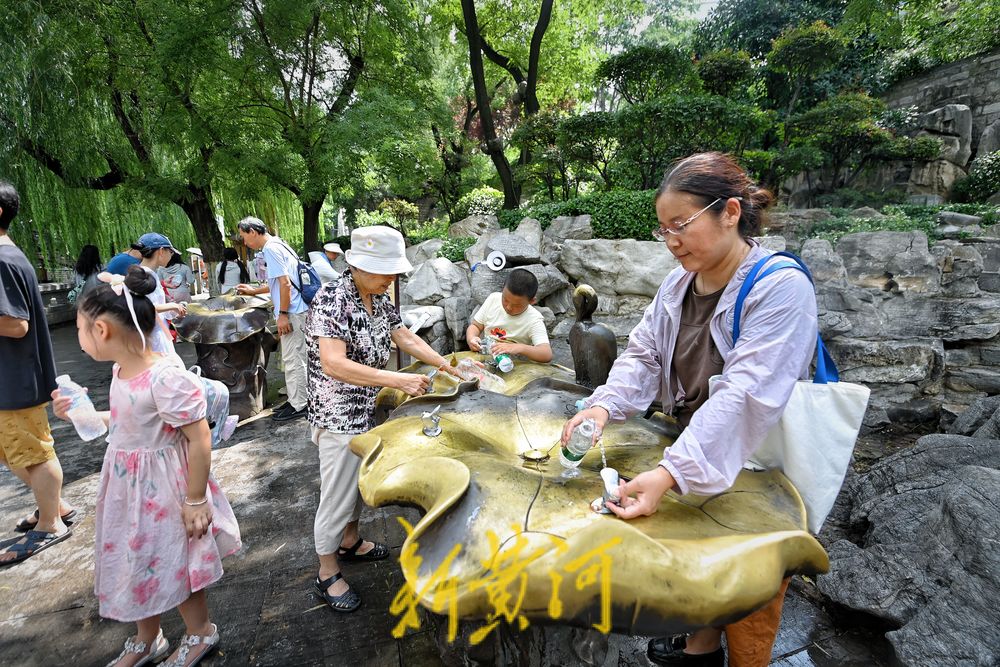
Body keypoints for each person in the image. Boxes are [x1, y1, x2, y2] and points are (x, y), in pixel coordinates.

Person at [560, 153, 818, 667]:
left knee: (753, 574)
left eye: (681, 225)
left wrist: (671, 473)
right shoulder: (678, 284)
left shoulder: (780, 287)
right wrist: (603, 407)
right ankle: (700, 645)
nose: (672, 240)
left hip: (761, 456)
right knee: (704, 550)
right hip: (696, 438)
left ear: (730, 212)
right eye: (663, 230)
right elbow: (644, 354)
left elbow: (744, 395)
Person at [53, 265, 241, 667]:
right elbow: (127, 421)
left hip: (165, 492)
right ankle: (147, 636)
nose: (80, 339)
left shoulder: (165, 377)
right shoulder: (122, 372)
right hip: (127, 489)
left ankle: (200, 631)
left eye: (81, 330)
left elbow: (199, 437)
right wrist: (82, 415)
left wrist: (195, 500)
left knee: (176, 560)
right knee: (136, 560)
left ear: (101, 330)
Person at [305, 225, 461, 612]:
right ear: (356, 265)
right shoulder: (332, 298)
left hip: (366, 405)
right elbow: (333, 363)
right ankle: (326, 572)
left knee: (360, 480)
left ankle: (350, 541)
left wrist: (444, 363)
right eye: (385, 271)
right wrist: (398, 379)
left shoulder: (378, 294)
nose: (392, 278)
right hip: (339, 412)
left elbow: (402, 336)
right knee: (338, 492)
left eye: (394, 272)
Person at [0, 180, 74, 567]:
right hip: (12, 377)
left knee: (33, 451)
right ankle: (55, 505)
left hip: (16, 377)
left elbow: (16, 325)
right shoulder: (9, 256)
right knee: (15, 452)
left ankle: (50, 524)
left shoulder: (1, 259)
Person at [235, 217, 309, 422]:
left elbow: (284, 284)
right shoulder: (280, 244)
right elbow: (279, 282)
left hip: (292, 312)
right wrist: (254, 291)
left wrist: (283, 314)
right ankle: (296, 399)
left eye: (243, 236)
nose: (244, 242)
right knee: (293, 358)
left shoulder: (270, 249)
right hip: (295, 309)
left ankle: (300, 404)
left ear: (252, 231)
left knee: (294, 359)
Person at [466, 268, 553, 362]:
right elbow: (475, 326)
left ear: (531, 301)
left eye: (517, 305)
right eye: (505, 300)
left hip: (513, 365)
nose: (509, 307)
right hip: (485, 357)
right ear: (502, 290)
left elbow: (546, 354)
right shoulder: (493, 299)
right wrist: (472, 338)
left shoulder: (534, 319)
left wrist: (519, 348)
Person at [136, 233, 187, 359]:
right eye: (170, 251)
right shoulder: (146, 275)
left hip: (150, 332)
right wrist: (172, 305)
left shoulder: (142, 272)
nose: (172, 255)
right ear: (161, 251)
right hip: (154, 334)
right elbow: (145, 307)